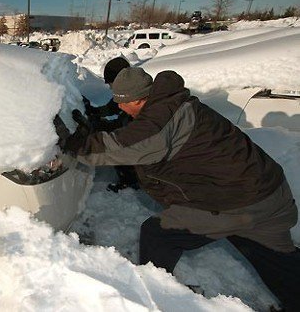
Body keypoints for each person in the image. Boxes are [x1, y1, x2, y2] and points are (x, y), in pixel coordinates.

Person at [61, 67, 300, 311]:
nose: (120, 108)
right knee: (277, 261)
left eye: (124, 104)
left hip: (239, 201)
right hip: (269, 192)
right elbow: (135, 134)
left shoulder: (160, 124)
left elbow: (124, 146)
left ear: (140, 99)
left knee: (158, 235)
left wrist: (76, 145)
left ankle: (151, 296)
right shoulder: (173, 103)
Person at [82, 57, 139, 192]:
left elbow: (126, 132)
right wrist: (94, 112)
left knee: (118, 150)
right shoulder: (131, 89)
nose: (109, 87)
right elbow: (112, 108)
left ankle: (131, 182)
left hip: (144, 151)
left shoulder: (135, 97)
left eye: (111, 83)